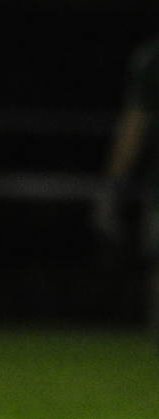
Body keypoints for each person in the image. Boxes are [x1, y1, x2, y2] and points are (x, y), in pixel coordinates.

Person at [96, 33, 159, 344]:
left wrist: (110, 192)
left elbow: (134, 129)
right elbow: (134, 128)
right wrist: (112, 190)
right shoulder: (153, 59)